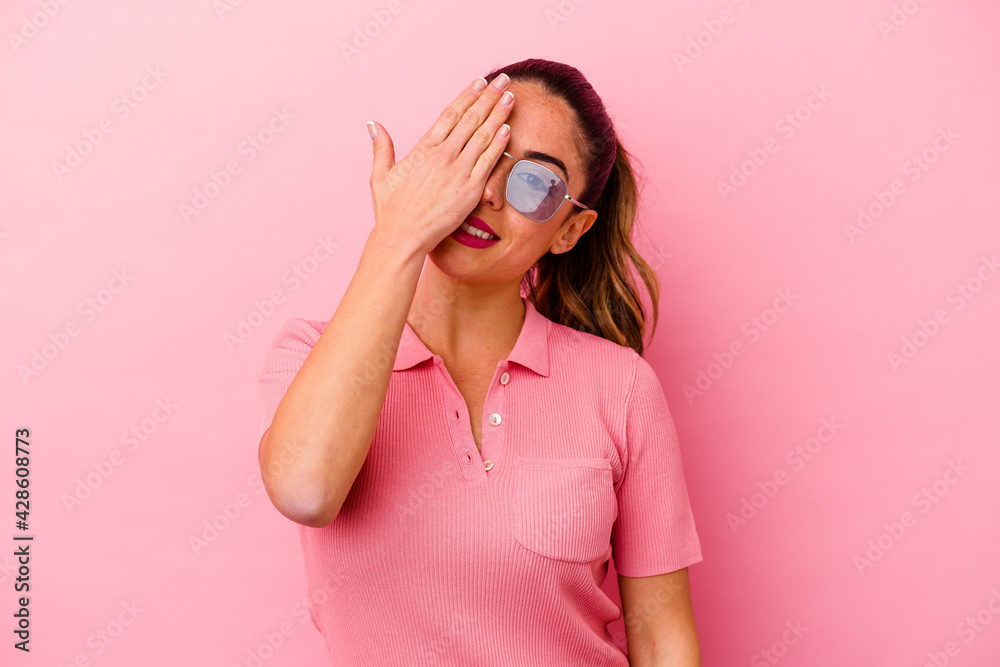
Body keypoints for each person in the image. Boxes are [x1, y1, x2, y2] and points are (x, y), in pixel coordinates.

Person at [256, 58, 703, 666]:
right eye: (476, 153)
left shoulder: (620, 387)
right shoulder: (311, 355)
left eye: (534, 183)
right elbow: (306, 492)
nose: (487, 193)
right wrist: (397, 236)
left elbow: (661, 639)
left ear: (570, 229)